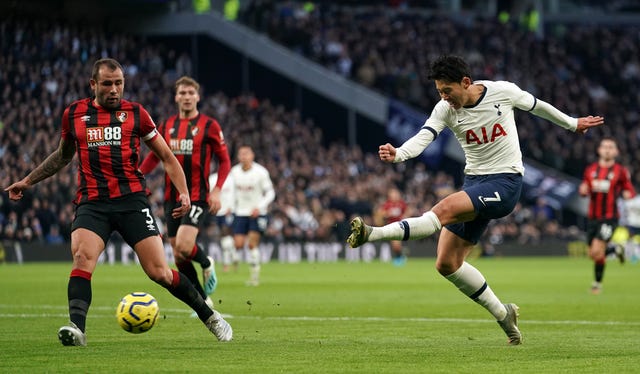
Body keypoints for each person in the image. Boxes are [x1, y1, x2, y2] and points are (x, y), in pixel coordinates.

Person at [346, 55, 604, 345]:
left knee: (442, 209)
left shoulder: (502, 92)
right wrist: (400, 153)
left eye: (447, 90)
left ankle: (372, 233)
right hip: (475, 183)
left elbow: (537, 106)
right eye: (439, 92)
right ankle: (503, 313)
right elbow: (424, 136)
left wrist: (572, 123)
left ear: (466, 82)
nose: (444, 97)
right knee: (446, 263)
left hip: (506, 182)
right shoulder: (445, 109)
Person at [4, 58, 232, 346]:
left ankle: (210, 316)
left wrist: (183, 192)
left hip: (132, 202)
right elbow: (62, 155)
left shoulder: (136, 113)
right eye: (108, 84)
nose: (114, 89)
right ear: (93, 84)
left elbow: (166, 157)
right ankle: (77, 329)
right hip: (92, 203)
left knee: (159, 272)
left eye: (119, 83)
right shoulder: (74, 114)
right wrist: (28, 180)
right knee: (82, 258)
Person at [139, 76, 231, 307]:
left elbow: (225, 161)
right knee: (179, 256)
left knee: (183, 245)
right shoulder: (167, 126)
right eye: (182, 93)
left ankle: (206, 262)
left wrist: (218, 190)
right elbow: (154, 157)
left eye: (191, 93)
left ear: (198, 96)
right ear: (176, 97)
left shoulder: (210, 126)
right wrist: (138, 174)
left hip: (199, 196)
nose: (187, 97)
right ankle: (204, 300)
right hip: (172, 197)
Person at [578, 137, 635, 294]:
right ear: (599, 150)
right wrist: (583, 190)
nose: (607, 149)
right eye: (604, 146)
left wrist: (627, 193)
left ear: (616, 152)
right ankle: (616, 251)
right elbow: (584, 187)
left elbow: (629, 189)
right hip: (592, 217)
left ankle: (597, 284)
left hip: (610, 217)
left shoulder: (620, 171)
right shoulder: (590, 170)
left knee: (597, 249)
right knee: (593, 254)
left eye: (611, 147)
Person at [229, 145, 275, 286]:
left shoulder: (261, 172)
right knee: (238, 244)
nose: (244, 156)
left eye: (246, 153)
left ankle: (254, 277)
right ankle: (235, 258)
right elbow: (231, 192)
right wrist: (230, 207)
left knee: (252, 244)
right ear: (238, 157)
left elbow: (270, 193)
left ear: (252, 156)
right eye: (241, 154)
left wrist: (260, 207)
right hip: (240, 212)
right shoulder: (234, 172)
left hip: (257, 213)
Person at [209, 171, 236, 272]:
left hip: (228, 211)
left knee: (225, 235)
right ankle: (234, 256)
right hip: (217, 211)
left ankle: (226, 263)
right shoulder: (212, 178)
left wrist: (231, 207)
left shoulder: (231, 179)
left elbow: (235, 195)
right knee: (225, 237)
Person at [378, 187, 408, 266]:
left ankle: (399, 258)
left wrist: (404, 217)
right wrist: (388, 214)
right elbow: (381, 213)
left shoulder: (401, 204)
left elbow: (407, 211)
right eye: (393, 194)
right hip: (391, 226)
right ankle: (400, 257)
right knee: (395, 245)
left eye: (396, 194)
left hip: (400, 226)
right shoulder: (387, 204)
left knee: (396, 243)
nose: (395, 195)